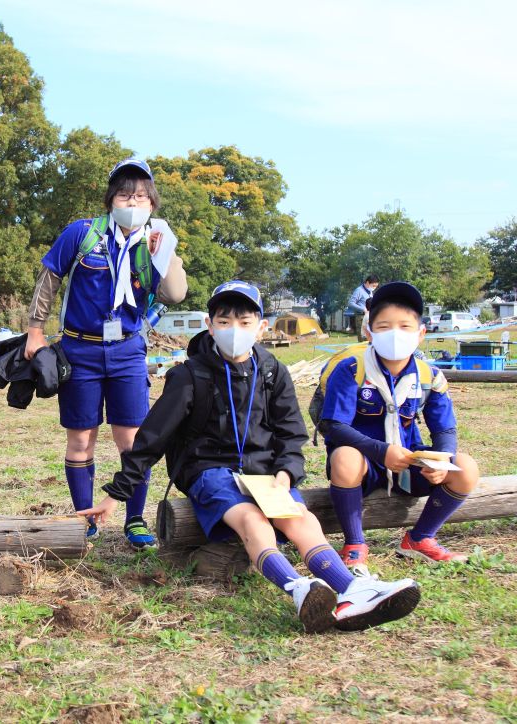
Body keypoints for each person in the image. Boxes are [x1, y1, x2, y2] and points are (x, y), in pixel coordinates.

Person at [79, 281, 421, 633]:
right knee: (252, 520)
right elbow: (152, 438)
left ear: (261, 327)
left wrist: (287, 472)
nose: (234, 330)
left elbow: (291, 433)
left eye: (244, 322)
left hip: (265, 473)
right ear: (210, 326)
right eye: (224, 321)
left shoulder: (273, 371)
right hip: (208, 471)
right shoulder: (189, 375)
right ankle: (299, 588)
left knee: (299, 517)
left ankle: (352, 589)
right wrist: (116, 494)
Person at [25, 158, 187, 549]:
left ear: (152, 203)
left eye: (141, 196)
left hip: (127, 350)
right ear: (111, 199)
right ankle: (85, 519)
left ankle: (135, 520)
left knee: (132, 441)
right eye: (124, 195)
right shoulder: (82, 233)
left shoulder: (155, 241)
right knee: (81, 440)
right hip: (79, 349)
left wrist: (165, 254)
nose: (132, 202)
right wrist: (35, 330)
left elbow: (175, 295)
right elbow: (49, 277)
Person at [321, 282, 480, 570]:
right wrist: (381, 451)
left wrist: (441, 460)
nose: (395, 334)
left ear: (421, 333)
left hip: (407, 459)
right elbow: (334, 425)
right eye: (384, 327)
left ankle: (420, 538)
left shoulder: (429, 375)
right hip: (364, 462)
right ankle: (354, 544)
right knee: (344, 457)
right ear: (369, 332)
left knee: (466, 468)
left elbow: (444, 429)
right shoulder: (351, 370)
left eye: (405, 326)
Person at [346, 275, 379, 342]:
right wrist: (362, 309)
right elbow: (350, 303)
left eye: (376, 286)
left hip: (369, 317)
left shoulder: (370, 291)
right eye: (373, 286)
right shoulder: (359, 290)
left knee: (370, 340)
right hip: (361, 317)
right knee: (363, 340)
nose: (374, 288)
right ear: (367, 283)